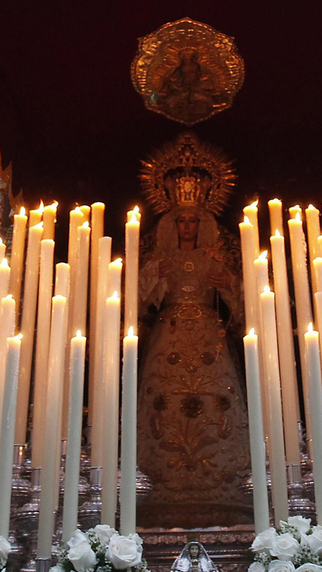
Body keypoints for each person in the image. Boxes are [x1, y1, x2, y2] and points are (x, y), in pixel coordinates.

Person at [134, 203, 252, 527]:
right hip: (167, 335)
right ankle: (161, 479)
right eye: (182, 221)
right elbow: (136, 300)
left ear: (202, 226)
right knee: (164, 401)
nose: (187, 227)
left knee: (216, 401)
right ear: (174, 226)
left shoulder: (213, 260)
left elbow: (243, 304)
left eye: (193, 222)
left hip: (207, 337)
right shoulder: (160, 260)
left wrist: (228, 281)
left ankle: (217, 479)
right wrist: (152, 277)